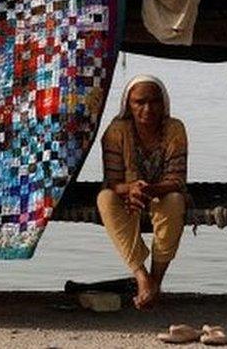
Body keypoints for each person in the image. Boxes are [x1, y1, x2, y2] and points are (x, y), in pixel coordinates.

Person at [97, 75, 187, 309]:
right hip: (128, 195)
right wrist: (130, 188)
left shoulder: (174, 129)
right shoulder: (116, 131)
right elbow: (112, 181)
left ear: (163, 103)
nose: (148, 109)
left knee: (176, 201)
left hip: (163, 193)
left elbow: (177, 180)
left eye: (154, 101)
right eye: (140, 102)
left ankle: (156, 280)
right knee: (105, 199)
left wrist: (150, 189)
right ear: (129, 104)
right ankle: (142, 276)